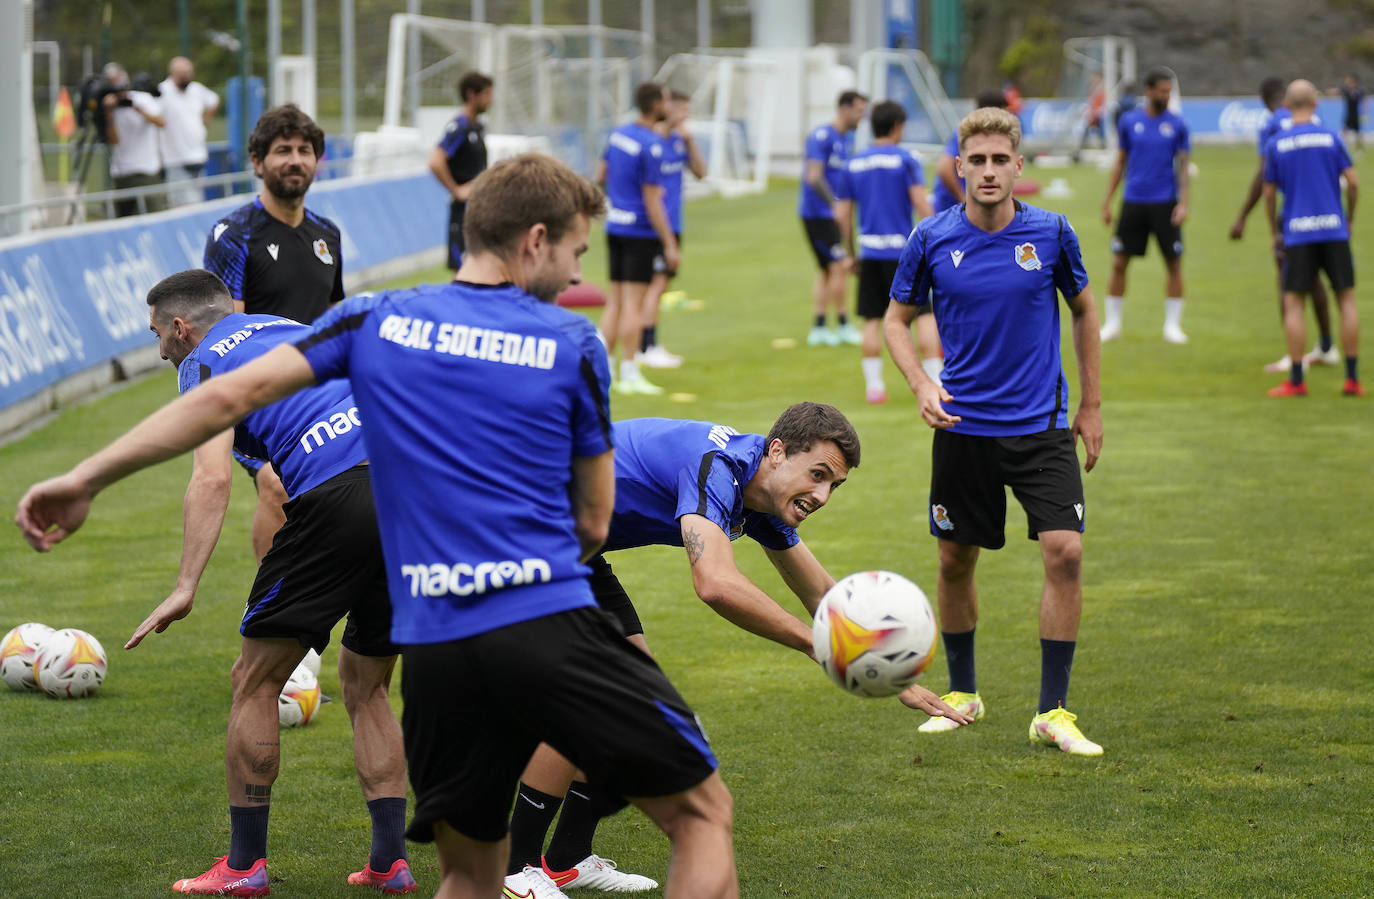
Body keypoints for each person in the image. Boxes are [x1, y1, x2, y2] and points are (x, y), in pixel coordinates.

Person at [17, 152, 740, 899]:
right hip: (536, 608)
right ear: (534, 241)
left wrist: (84, 478)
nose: (575, 272)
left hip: (442, 644)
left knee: (466, 872)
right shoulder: (574, 342)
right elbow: (591, 517)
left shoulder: (375, 317)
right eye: (574, 251)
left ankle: (275, 861)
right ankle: (381, 854)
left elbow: (220, 403)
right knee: (702, 815)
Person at [504, 408, 973, 895]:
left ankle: (567, 860)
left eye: (834, 485)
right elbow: (716, 585)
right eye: (818, 475)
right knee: (594, 696)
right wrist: (823, 649)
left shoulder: (764, 494)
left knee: (634, 693)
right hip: (518, 531)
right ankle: (514, 869)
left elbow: (826, 601)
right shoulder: (718, 466)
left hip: (571, 549)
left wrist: (892, 672)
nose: (822, 496)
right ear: (776, 452)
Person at [110, 269, 414, 894]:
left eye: (158, 338)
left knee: (253, 680)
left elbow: (212, 477)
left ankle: (245, 866)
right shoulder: (296, 329)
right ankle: (390, 862)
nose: (161, 353)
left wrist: (185, 584)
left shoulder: (201, 362)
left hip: (341, 498)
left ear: (180, 327)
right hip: (415, 490)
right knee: (367, 684)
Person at [884, 106, 1106, 757]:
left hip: (1039, 427)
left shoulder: (1053, 232)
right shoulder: (930, 236)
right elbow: (895, 322)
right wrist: (924, 383)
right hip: (963, 427)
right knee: (955, 559)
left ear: (1018, 166)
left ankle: (1053, 710)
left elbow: (1085, 309)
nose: (986, 170)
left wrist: (1091, 404)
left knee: (1066, 550)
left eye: (998, 159)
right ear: (959, 168)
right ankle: (963, 693)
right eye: (974, 160)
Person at [204, 104, 344, 565]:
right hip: (258, 400)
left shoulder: (328, 233)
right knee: (276, 484)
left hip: (319, 397)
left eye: (305, 150)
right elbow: (222, 334)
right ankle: (271, 614)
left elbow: (333, 317)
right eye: (282, 150)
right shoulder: (234, 235)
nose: (295, 160)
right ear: (258, 162)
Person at [1230, 77, 1338, 374]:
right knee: (1319, 281)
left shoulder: (1274, 124)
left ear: (1267, 101)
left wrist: (1242, 217)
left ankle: (1295, 357)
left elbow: (1264, 176)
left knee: (1289, 285)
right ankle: (1327, 346)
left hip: (1294, 214)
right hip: (1328, 213)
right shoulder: (1317, 120)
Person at [1262, 80, 1362, 398]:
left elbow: (1268, 193)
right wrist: (1349, 219)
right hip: (1334, 228)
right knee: (1345, 299)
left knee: (1294, 304)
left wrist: (1273, 231)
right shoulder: (1331, 137)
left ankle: (1296, 380)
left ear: (1287, 106)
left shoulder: (1277, 143)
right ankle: (1351, 379)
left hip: (1298, 231)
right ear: (1316, 103)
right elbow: (1354, 182)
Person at [835, 100, 935, 404]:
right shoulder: (906, 159)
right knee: (925, 316)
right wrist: (937, 240)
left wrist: (851, 252)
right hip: (903, 253)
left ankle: (875, 387)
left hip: (871, 252)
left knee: (871, 319)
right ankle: (936, 380)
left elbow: (842, 214)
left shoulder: (854, 163)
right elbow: (920, 203)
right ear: (896, 127)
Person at [597, 81, 679, 395]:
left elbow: (601, 175)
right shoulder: (652, 144)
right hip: (639, 232)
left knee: (615, 300)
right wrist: (669, 241)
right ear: (656, 104)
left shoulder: (617, 135)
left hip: (615, 226)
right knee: (634, 303)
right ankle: (629, 371)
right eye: (667, 101)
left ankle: (603, 367)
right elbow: (652, 199)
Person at [1100, 68, 1191, 344]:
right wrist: (1107, 200)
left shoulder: (1177, 124)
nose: (1166, 95)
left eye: (1169, 91)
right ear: (1149, 90)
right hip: (1133, 202)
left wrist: (1184, 203)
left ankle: (1172, 327)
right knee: (1119, 262)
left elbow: (1184, 167)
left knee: (1173, 263)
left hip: (1165, 202)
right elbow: (1120, 162)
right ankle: (1113, 324)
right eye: (1162, 90)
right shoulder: (1129, 121)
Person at [638, 89, 707, 371]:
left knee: (660, 284)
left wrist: (690, 142)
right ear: (667, 107)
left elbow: (702, 173)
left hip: (675, 223)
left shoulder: (680, 141)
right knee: (654, 285)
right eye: (681, 110)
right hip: (655, 226)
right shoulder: (651, 143)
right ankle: (646, 346)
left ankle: (649, 344)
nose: (685, 117)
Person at [799, 90, 868, 347]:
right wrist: (835, 204)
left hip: (829, 214)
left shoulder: (844, 140)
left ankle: (819, 328)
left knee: (828, 270)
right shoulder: (822, 136)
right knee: (838, 266)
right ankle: (842, 325)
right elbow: (813, 176)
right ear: (845, 108)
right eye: (859, 110)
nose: (862, 117)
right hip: (818, 214)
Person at [428, 71, 493, 272]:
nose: (491, 100)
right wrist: (456, 190)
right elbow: (435, 161)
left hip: (479, 208)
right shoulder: (459, 128)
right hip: (463, 212)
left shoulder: (478, 127)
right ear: (472, 95)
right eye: (487, 94)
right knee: (464, 270)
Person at [102, 62, 166, 217]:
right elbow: (114, 141)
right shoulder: (109, 107)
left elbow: (161, 122)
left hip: (146, 170)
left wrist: (136, 108)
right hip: (121, 172)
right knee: (123, 218)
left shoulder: (142, 99)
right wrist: (109, 114)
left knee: (155, 215)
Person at [930, 91, 1008, 215]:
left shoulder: (990, 137)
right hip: (950, 210)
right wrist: (962, 198)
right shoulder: (966, 134)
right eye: (1005, 113)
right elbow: (944, 168)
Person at [158, 56, 220, 207]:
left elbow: (214, 100)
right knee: (183, 203)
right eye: (183, 74)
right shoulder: (162, 91)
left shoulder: (196, 89)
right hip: (175, 158)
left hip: (198, 155)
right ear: (173, 73)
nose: (187, 77)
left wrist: (206, 119)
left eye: (188, 73)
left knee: (196, 201)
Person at [1074, 73, 1107, 162]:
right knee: (1085, 133)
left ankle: (1105, 149)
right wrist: (1083, 111)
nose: (1092, 80)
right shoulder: (1093, 91)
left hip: (1100, 117)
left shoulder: (1102, 91)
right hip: (1092, 117)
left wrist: (1097, 113)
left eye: (1094, 78)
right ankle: (1078, 152)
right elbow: (1089, 104)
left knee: (1102, 133)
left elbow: (1103, 105)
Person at [1339, 73, 1365, 150]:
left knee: (1357, 133)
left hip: (1356, 114)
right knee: (1344, 131)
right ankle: (1342, 147)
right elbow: (1337, 91)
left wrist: (1364, 114)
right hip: (1348, 114)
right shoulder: (1346, 91)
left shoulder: (1359, 91)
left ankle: (1359, 148)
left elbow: (1363, 102)